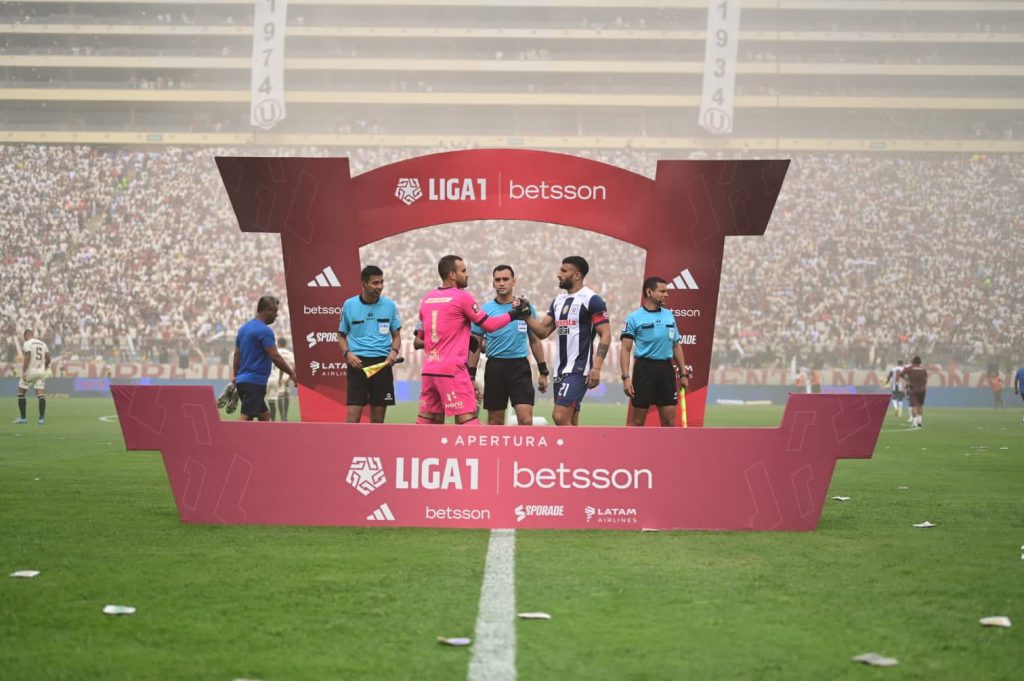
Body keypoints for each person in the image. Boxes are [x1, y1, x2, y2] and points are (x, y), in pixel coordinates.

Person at [417, 255, 531, 425]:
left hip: (429, 370)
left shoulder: (427, 299)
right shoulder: (462, 297)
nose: (467, 274)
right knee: (468, 424)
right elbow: (490, 325)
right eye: (463, 271)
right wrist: (515, 313)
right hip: (452, 370)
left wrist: (460, 338)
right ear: (452, 274)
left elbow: (421, 337)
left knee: (427, 421)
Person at [524, 256, 611, 426]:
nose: (559, 274)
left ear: (577, 275)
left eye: (564, 271)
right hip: (559, 370)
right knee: (570, 422)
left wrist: (596, 368)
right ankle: (578, 445)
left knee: (560, 416)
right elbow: (542, 332)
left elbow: (606, 334)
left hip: (579, 369)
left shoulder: (592, 300)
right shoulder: (558, 301)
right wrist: (526, 315)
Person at [468, 265, 550, 426]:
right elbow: (475, 345)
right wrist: (470, 376)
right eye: (498, 280)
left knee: (526, 420)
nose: (501, 283)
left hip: (520, 367)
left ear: (514, 282)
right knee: (495, 422)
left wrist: (543, 371)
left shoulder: (525, 308)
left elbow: (535, 340)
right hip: (495, 367)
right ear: (493, 283)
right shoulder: (485, 310)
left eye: (505, 279)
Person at [619, 277, 689, 426]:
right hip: (644, 369)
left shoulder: (669, 315)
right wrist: (626, 377)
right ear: (649, 292)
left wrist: (683, 374)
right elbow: (625, 349)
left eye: (666, 291)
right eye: (662, 291)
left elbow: (676, 346)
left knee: (669, 422)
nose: (666, 295)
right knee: (637, 422)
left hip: (666, 369)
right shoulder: (633, 318)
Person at [337, 266, 402, 423]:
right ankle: (349, 441)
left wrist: (394, 352)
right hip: (358, 365)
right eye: (375, 283)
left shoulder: (390, 305)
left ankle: (375, 442)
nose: (379, 286)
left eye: (381, 282)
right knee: (352, 417)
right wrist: (348, 354)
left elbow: (396, 336)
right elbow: (341, 336)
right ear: (364, 284)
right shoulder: (349, 304)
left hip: (382, 365)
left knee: (378, 419)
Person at [230, 296, 296, 422]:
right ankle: (229, 435)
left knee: (264, 417)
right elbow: (275, 357)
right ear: (266, 310)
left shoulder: (243, 329)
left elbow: (237, 355)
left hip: (243, 381)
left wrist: (235, 375)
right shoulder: (265, 331)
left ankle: (269, 436)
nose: (276, 315)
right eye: (275, 311)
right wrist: (292, 373)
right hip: (254, 382)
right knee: (246, 417)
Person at [15, 329, 50, 425]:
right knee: (40, 394)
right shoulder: (43, 344)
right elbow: (48, 358)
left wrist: (24, 371)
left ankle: (23, 418)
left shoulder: (27, 343)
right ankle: (41, 419)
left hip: (30, 371)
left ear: (26, 336)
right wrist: (44, 368)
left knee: (21, 392)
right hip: (40, 372)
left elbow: (28, 356)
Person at [266, 337, 295, 421]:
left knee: (272, 398)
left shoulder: (274, 352)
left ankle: (272, 420)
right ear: (285, 344)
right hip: (284, 377)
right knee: (283, 395)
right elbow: (294, 365)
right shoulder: (289, 354)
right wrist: (290, 376)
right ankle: (283, 417)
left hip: (272, 376)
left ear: (278, 343)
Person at [901, 355, 928, 428]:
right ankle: (920, 421)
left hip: (913, 389)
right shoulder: (923, 369)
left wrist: (907, 380)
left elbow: (901, 374)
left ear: (913, 362)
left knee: (914, 406)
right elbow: (925, 378)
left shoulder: (910, 368)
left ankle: (914, 422)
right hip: (922, 389)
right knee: (920, 405)